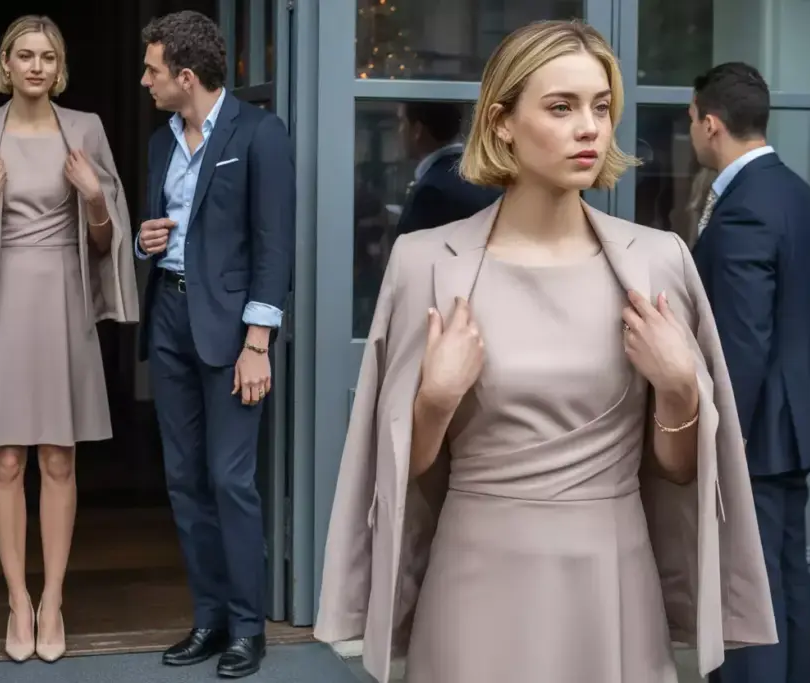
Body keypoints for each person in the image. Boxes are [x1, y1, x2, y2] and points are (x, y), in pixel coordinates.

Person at [314, 20, 777, 683]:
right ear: (502, 122)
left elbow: (676, 470)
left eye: (600, 106)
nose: (589, 127)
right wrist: (436, 399)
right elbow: (400, 468)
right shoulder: (426, 263)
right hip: (474, 579)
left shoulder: (659, 261)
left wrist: (679, 387)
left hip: (613, 581)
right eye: (561, 107)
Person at [0, 14, 139, 664]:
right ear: (6, 64)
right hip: (1, 306)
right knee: (6, 459)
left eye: (47, 56)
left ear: (58, 65)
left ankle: (53, 598)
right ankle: (18, 597)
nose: (36, 66)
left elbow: (105, 241)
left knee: (59, 458)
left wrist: (97, 196)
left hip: (65, 305)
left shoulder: (87, 129)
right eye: (25, 55)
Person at [134, 11, 294, 679]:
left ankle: (247, 628)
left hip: (232, 333)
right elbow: (177, 229)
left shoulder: (259, 134)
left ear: (186, 76)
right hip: (168, 317)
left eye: (152, 70)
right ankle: (209, 618)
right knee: (184, 478)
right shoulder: (159, 143)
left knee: (231, 479)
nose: (144, 80)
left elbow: (274, 243)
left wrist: (257, 342)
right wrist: (153, 238)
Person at [689, 62, 810, 683]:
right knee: (785, 575)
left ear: (712, 123)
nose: (692, 133)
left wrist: (727, 433)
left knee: (747, 587)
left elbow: (744, 338)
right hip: (796, 421)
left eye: (694, 122)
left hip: (755, 430)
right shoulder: (799, 194)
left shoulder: (745, 206)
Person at [394, 101, 500, 236]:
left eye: (402, 122)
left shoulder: (431, 192)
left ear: (417, 131)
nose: (399, 130)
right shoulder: (485, 178)